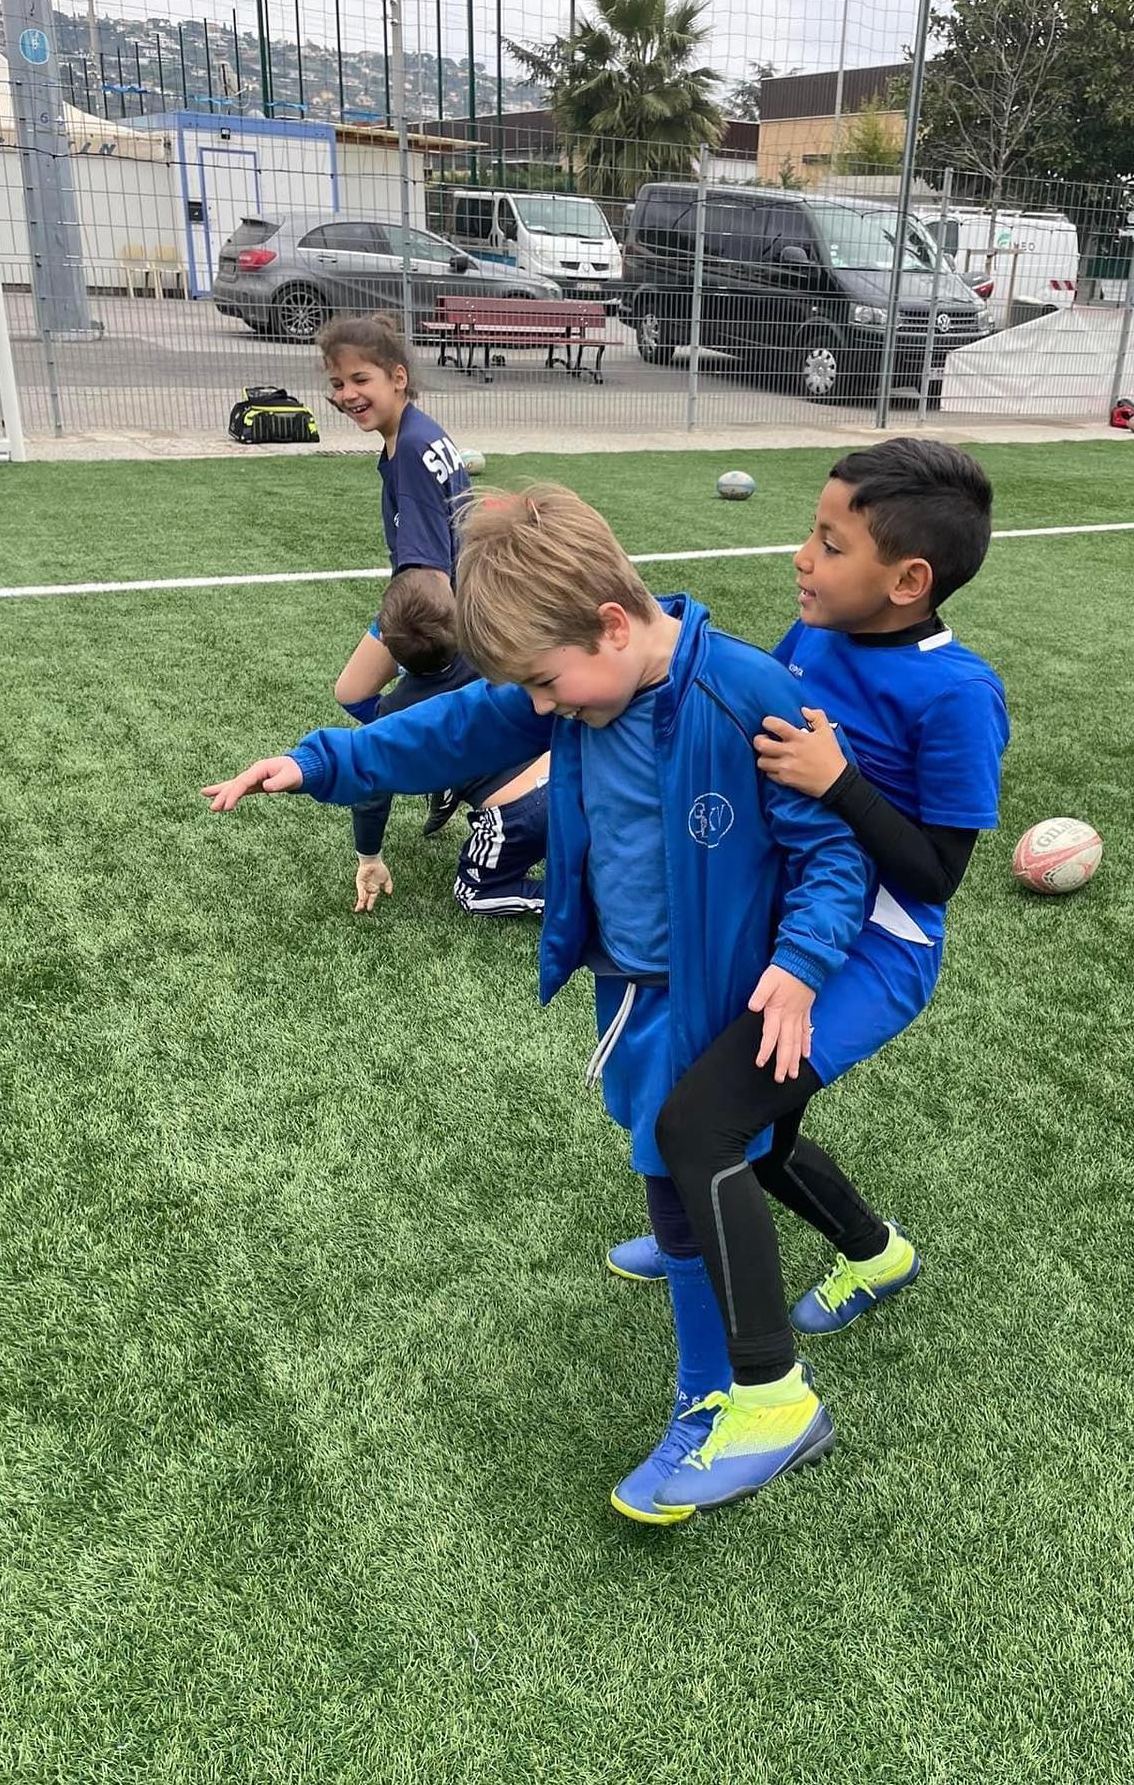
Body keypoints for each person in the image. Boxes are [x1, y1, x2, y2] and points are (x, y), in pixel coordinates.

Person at [203, 485, 871, 1524]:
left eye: (551, 686)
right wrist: (318, 761)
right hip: (631, 977)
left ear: (611, 622)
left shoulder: (746, 692)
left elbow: (834, 848)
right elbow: (440, 731)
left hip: (720, 991)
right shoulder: (574, 678)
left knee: (682, 1160)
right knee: (674, 1155)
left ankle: (738, 1398)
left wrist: (802, 959)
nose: (544, 710)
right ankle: (714, 1267)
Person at [600, 440, 1009, 1521]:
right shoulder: (813, 637)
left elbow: (935, 877)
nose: (802, 558)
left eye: (829, 544)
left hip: (874, 953)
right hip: (794, 929)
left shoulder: (958, 692)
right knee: (754, 1135)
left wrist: (845, 781)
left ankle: (772, 1399)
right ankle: (877, 1255)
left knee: (701, 1127)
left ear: (908, 579)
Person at [321, 312, 472, 839]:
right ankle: (449, 756)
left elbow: (429, 566)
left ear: (398, 377)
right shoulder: (416, 430)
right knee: (357, 694)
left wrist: (421, 634)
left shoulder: (409, 449)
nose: (347, 394)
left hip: (434, 609)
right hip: (447, 597)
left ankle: (451, 760)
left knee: (357, 696)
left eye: (361, 380)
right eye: (338, 383)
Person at [348, 567, 548, 918]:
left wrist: (370, 857)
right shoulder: (496, 647)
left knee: (472, 892)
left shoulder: (395, 716)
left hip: (522, 815)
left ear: (386, 649)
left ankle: (581, 903)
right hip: (580, 770)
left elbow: (370, 793)